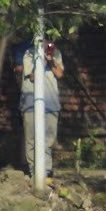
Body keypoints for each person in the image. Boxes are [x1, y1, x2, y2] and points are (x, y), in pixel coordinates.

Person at [19, 36, 65, 175]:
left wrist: (51, 60)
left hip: (50, 102)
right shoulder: (29, 54)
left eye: (50, 40)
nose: (48, 43)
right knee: (32, 138)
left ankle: (46, 170)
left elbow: (59, 74)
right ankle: (34, 170)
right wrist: (43, 60)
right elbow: (32, 76)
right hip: (31, 102)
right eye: (45, 40)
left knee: (48, 139)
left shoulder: (56, 53)